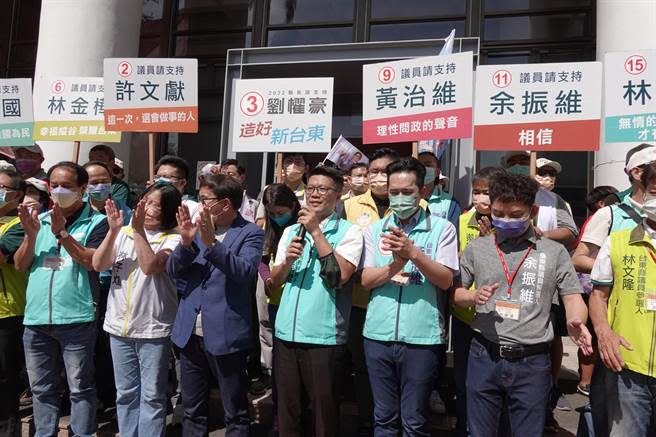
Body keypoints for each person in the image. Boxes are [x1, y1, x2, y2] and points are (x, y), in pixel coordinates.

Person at [453, 172, 592, 437]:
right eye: (499, 213)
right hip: (485, 354)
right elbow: (456, 293)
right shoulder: (478, 248)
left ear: (533, 210)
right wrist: (472, 296)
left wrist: (576, 320)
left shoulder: (553, 252)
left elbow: (572, 295)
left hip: (532, 360)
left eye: (515, 214)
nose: (506, 221)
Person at [359, 157, 457, 436]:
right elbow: (366, 280)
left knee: (414, 420)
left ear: (422, 191)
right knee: (384, 417)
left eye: (407, 192)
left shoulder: (441, 229)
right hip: (378, 335)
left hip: (422, 338)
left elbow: (446, 279)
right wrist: (396, 265)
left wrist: (414, 253)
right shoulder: (374, 230)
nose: (399, 198)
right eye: (394, 192)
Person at [15, 161, 109, 437]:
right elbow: (21, 264)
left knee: (80, 387)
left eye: (67, 186)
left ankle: (82, 433)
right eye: (54, 185)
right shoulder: (38, 220)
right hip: (36, 318)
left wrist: (63, 234)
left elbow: (90, 262)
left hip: (76, 319)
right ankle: (45, 433)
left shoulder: (98, 222)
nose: (59, 191)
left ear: (82, 188)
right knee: (41, 388)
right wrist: (31, 236)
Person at [167, 174, 264, 437]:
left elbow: (244, 272)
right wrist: (186, 243)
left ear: (224, 203)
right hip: (190, 333)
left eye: (205, 200)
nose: (200, 205)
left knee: (235, 409)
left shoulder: (250, 233)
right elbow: (173, 271)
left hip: (225, 332)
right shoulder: (195, 230)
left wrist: (211, 243)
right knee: (192, 407)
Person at [270, 165, 362, 437]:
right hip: (286, 335)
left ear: (339, 193)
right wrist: (286, 261)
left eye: (323, 189)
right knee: (288, 414)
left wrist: (316, 233)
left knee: (324, 416)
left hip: (324, 339)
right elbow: (273, 282)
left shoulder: (350, 232)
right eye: (311, 188)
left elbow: (341, 276)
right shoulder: (290, 232)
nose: (315, 194)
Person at [571, 143, 655, 436]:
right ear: (637, 173)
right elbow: (579, 258)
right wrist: (612, 267)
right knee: (608, 408)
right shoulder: (611, 215)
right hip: (620, 333)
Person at [92, 184, 181, 437]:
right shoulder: (124, 232)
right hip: (118, 326)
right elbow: (99, 264)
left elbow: (151, 265)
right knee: (126, 392)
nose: (149, 208)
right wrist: (113, 231)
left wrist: (139, 230)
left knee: (152, 395)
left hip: (153, 328)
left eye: (157, 206)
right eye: (146, 201)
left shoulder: (173, 238)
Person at [342, 147, 401, 434]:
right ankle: (369, 419)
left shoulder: (415, 206)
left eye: (385, 171)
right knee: (364, 366)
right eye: (373, 171)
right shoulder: (349, 206)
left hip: (399, 302)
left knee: (397, 367)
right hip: (358, 302)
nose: (378, 177)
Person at [451, 166, 507, 437]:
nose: (481, 198)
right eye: (478, 192)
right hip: (465, 314)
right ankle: (465, 426)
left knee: (496, 383)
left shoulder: (511, 223)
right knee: (465, 381)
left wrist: (490, 242)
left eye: (488, 192)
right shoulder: (462, 221)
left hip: (500, 318)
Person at [256, 183, 301, 435]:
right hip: (275, 299)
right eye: (272, 213)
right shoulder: (270, 229)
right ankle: (279, 419)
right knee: (279, 365)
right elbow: (263, 260)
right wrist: (267, 278)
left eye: (280, 211)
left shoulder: (303, 227)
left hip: (298, 299)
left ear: (294, 206)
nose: (276, 217)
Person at [575, 185, 619, 397]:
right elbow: (580, 258)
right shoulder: (602, 219)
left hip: (611, 291)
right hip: (594, 288)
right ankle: (586, 382)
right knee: (591, 337)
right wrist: (615, 267)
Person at [0, 169, 27, 437]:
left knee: (5, 379)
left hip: (8, 312)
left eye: (1, 186)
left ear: (17, 194)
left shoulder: (19, 224)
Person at [255, 153, 307, 227]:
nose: (293, 166)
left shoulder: (309, 193)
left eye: (298, 162)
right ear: (282, 166)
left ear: (306, 168)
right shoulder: (269, 190)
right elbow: (259, 221)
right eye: (289, 161)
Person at [418, 150, 461, 227]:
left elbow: (452, 232)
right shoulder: (406, 198)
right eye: (419, 165)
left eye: (428, 164)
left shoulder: (451, 202)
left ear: (437, 172)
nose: (423, 168)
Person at [220, 159, 257, 223]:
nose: (226, 178)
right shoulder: (214, 202)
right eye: (223, 174)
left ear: (242, 178)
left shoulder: (252, 204)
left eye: (230, 174)